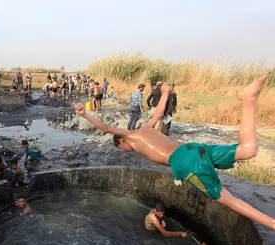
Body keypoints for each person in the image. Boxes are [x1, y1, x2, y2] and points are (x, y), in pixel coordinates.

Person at [74, 72, 275, 232]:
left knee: (226, 199)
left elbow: (107, 129)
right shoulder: (147, 128)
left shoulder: (132, 135)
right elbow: (159, 113)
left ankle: (272, 224)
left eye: (122, 147)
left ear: (121, 142)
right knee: (248, 150)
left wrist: (86, 114)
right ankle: (249, 100)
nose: (127, 150)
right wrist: (164, 93)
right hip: (191, 147)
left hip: (183, 161)